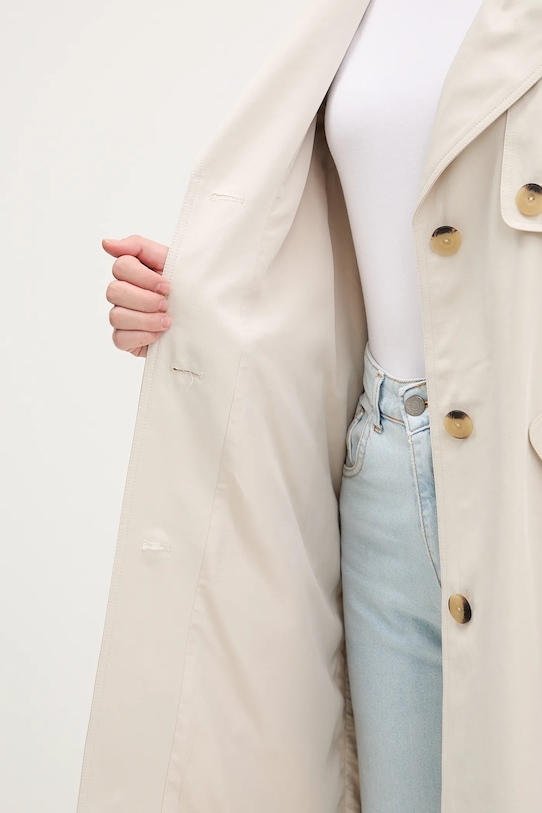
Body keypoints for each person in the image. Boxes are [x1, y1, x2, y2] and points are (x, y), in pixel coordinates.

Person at [80, 0, 542, 811]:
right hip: (380, 475)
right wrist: (192, 300)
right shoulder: (347, 15)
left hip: (521, 479)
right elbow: (323, 245)